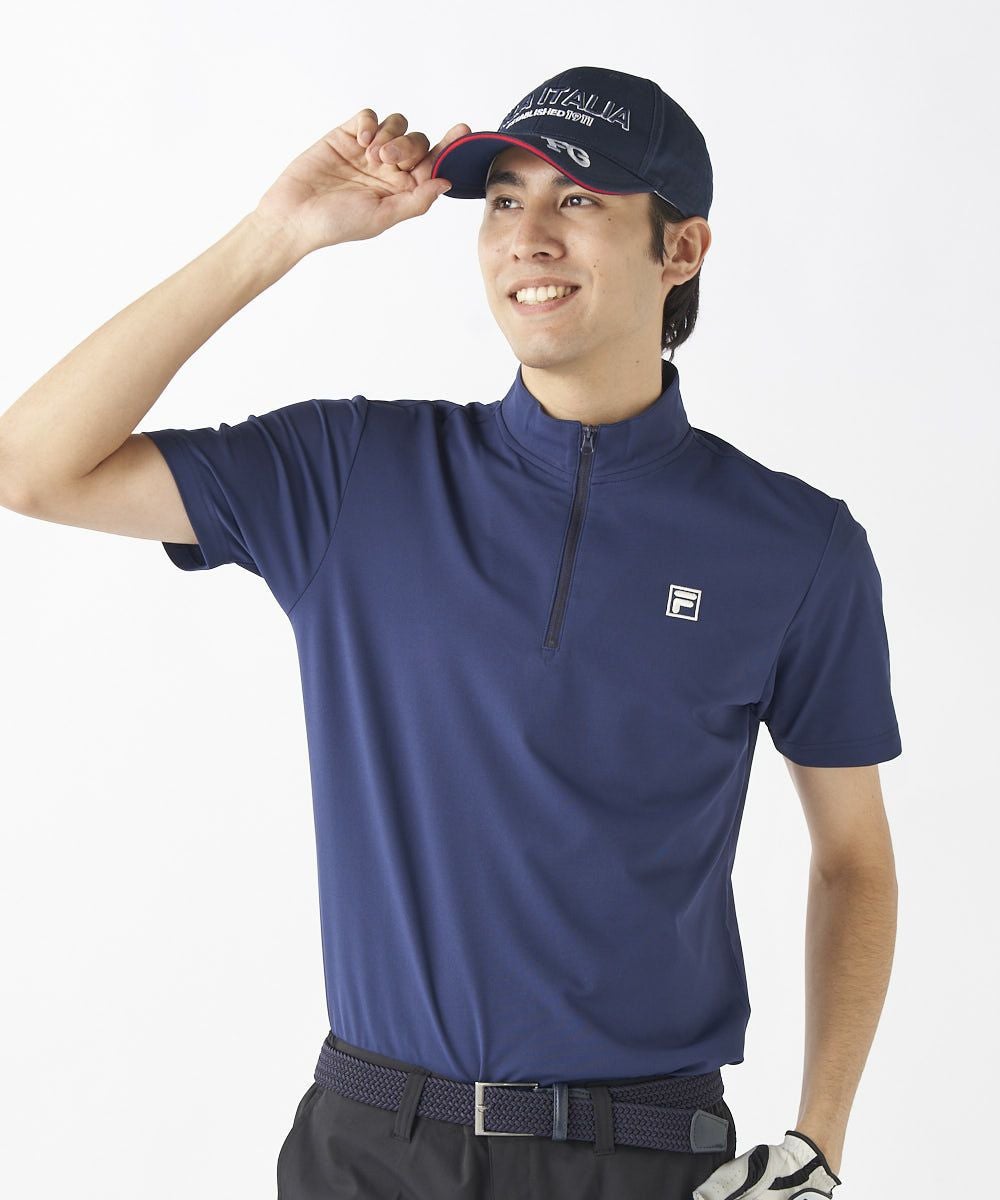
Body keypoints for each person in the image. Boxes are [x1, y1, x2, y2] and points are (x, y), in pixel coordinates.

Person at [0, 65, 899, 1200]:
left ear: (680, 250)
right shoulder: (349, 474)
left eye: (578, 200)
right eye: (504, 199)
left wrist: (819, 1141)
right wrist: (276, 235)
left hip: (641, 1159)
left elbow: (854, 859)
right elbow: (30, 466)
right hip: (367, 1149)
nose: (527, 235)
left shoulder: (795, 547)